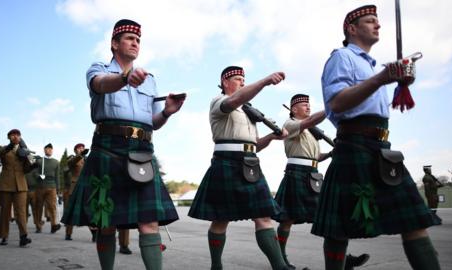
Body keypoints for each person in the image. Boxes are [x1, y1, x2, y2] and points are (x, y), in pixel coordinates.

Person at [311, 5, 441, 270]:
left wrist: (397, 82)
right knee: (338, 230)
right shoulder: (342, 57)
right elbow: (336, 103)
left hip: (382, 149)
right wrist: (382, 78)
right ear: (352, 28)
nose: (378, 25)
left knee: (414, 220)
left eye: (377, 21)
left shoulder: (370, 66)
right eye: (371, 21)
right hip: (353, 144)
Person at [61, 19, 185, 270]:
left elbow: (153, 122)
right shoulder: (98, 68)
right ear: (115, 44)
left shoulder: (149, 79)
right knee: (106, 221)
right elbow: (101, 84)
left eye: (138, 40)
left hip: (142, 151)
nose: (135, 43)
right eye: (130, 38)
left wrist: (168, 113)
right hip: (109, 148)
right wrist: (125, 78)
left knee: (149, 221)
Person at [188, 66, 292, 270]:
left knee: (263, 216)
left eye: (244, 79)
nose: (243, 82)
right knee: (221, 219)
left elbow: (253, 145)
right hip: (226, 161)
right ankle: (216, 266)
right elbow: (233, 101)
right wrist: (264, 81)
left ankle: (280, 267)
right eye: (238, 79)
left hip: (250, 162)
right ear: (225, 83)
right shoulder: (219, 102)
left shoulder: (248, 112)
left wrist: (271, 137)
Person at [273, 94, 368, 270]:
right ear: (294, 109)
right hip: (296, 174)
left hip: (313, 175)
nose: (308, 107)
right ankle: (281, 258)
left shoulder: (310, 131)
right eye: (304, 105)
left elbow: (315, 157)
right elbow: (306, 123)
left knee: (329, 217)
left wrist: (332, 153)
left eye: (309, 105)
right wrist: (332, 107)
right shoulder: (291, 124)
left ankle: (342, 259)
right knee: (288, 218)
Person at [0, 129, 32, 247]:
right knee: (5, 212)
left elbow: (25, 169)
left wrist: (33, 166)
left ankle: (23, 236)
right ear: (9, 137)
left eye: (17, 135)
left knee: (21, 212)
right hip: (6, 184)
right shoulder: (4, 148)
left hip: (20, 185)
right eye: (13, 135)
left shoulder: (24, 150)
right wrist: (11, 146)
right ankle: (4, 236)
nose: (15, 136)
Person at [34, 143, 61, 233]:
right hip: (40, 186)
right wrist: (39, 175)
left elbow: (57, 176)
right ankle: (38, 225)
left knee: (52, 207)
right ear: (44, 150)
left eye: (50, 149)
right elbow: (34, 172)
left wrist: (58, 188)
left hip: (52, 186)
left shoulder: (56, 162)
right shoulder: (40, 161)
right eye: (47, 149)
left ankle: (54, 225)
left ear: (52, 150)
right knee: (39, 207)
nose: (49, 150)